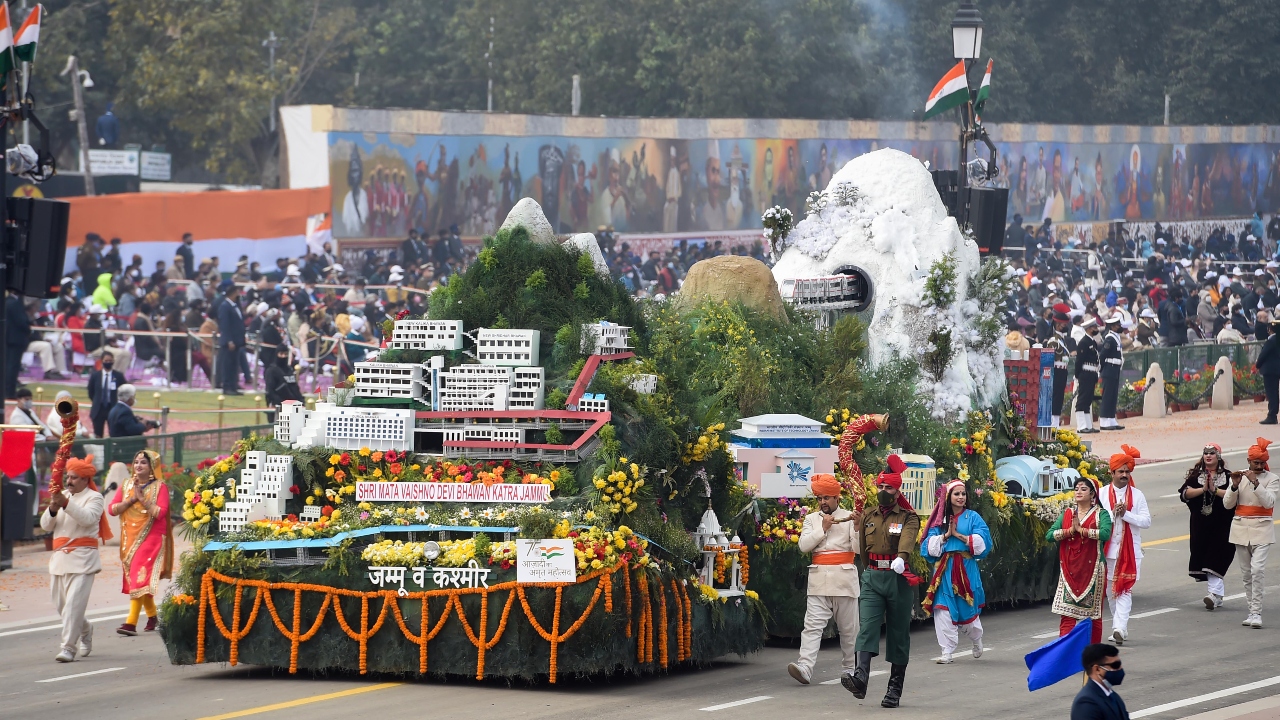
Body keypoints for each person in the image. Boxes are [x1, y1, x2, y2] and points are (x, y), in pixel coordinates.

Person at [848, 455, 920, 708]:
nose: (883, 491)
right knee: (866, 627)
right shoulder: (868, 515)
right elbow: (864, 551)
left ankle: (894, 689)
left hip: (898, 579)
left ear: (897, 489)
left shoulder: (908, 517)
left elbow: (908, 538)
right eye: (880, 487)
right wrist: (869, 572)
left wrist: (902, 557)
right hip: (873, 578)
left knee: (898, 635)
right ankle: (860, 678)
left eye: (888, 487)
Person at [787, 473, 862, 686]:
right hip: (819, 581)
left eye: (827, 498)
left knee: (849, 630)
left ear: (837, 498)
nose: (823, 502)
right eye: (820, 498)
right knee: (811, 626)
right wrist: (823, 528)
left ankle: (850, 668)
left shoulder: (849, 517)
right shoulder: (811, 519)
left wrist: (857, 528)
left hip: (844, 581)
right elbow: (803, 546)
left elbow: (858, 550)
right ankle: (805, 667)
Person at [40, 456, 110, 662]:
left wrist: (66, 504)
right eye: (68, 477)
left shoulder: (95, 498)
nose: (69, 481)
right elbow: (46, 525)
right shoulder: (61, 495)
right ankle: (86, 630)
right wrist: (53, 508)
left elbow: (88, 519)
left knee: (72, 607)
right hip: (59, 560)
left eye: (74, 477)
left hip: (83, 560)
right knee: (63, 607)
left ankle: (68, 648)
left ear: (85, 480)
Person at [920, 479, 992, 663]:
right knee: (942, 610)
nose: (961, 497)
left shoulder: (973, 517)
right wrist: (945, 535)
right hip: (945, 570)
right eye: (956, 493)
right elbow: (928, 545)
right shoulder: (940, 520)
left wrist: (958, 535)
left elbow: (984, 541)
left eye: (963, 494)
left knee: (967, 613)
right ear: (948, 497)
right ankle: (947, 652)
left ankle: (976, 639)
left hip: (966, 569)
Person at [108, 450, 172, 636]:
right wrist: (132, 499)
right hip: (130, 538)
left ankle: (131, 623)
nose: (138, 465)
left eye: (143, 462)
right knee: (137, 578)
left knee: (138, 577)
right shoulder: (126, 485)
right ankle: (152, 616)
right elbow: (112, 509)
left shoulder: (161, 487)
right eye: (136, 462)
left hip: (151, 537)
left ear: (152, 466)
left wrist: (143, 500)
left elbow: (160, 512)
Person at [1047, 477, 1112, 643]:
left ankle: (1093, 656)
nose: (1078, 491)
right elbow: (1049, 535)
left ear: (1092, 494)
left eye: (1083, 489)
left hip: (1093, 570)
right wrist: (1070, 531)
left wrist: (1082, 531)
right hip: (1070, 571)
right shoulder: (1068, 514)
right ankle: (1065, 655)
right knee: (1067, 616)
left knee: (1093, 617)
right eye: (1076, 488)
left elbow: (1105, 533)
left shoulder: (1101, 514)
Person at [1223, 437, 1279, 628]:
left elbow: (1269, 502)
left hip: (1262, 529)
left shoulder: (1272, 479)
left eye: (1262, 462)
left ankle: (1257, 612)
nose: (1259, 465)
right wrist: (1234, 486)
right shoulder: (1241, 477)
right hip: (1240, 529)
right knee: (1247, 574)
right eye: (1256, 462)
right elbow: (1227, 504)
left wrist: (1256, 483)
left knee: (1257, 570)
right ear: (1249, 461)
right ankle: (1251, 611)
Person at [1100, 446, 1149, 645]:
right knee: (1111, 591)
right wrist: (1113, 514)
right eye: (1120, 471)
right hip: (1109, 550)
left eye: (1127, 471)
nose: (1124, 474)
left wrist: (1126, 514)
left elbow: (1146, 522)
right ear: (1112, 473)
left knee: (1125, 589)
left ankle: (1119, 627)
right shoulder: (1102, 494)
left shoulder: (1137, 495)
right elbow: (1097, 519)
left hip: (1131, 551)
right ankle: (1119, 627)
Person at [1180, 443, 1236, 609]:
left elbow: (1234, 495)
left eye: (1212, 452)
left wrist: (1214, 489)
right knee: (1205, 558)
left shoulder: (1228, 476)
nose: (1208, 455)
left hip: (1223, 525)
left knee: (1217, 557)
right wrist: (1203, 489)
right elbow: (1184, 493)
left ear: (1218, 456)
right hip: (1201, 525)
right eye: (1206, 453)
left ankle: (1213, 594)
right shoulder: (1197, 475)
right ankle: (1217, 596)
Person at [1070, 643, 1131, 720]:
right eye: (1115, 665)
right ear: (1097, 669)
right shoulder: (1086, 703)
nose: (1120, 668)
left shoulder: (1112, 695)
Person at [1047, 303, 1077, 427]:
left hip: (1062, 370)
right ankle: (1053, 422)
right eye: (1064, 325)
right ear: (1058, 325)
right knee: (1055, 396)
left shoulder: (1061, 340)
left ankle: (1056, 420)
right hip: (1056, 371)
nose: (1066, 327)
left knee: (1059, 396)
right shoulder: (1053, 341)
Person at [107, 384, 159, 452]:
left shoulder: (115, 408)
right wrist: (143, 424)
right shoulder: (125, 411)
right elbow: (133, 429)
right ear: (129, 398)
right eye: (133, 396)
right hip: (126, 449)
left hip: (118, 446)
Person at [87, 351, 127, 438]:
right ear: (102, 361)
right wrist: (96, 401)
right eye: (106, 360)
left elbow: (124, 390)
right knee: (97, 435)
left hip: (113, 408)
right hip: (98, 409)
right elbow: (91, 391)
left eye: (110, 361)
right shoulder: (95, 376)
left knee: (114, 433)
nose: (108, 362)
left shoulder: (118, 376)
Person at [217, 283, 246, 395]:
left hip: (237, 341)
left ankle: (233, 386)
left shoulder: (235, 306)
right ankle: (227, 386)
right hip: (230, 341)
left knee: (234, 365)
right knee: (227, 364)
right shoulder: (225, 306)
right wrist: (229, 340)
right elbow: (225, 325)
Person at [263, 345, 304, 423]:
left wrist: (301, 400)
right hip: (278, 407)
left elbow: (294, 386)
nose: (283, 356)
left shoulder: (289, 370)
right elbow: (270, 390)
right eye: (281, 354)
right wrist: (280, 402)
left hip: (293, 406)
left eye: (285, 354)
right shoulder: (271, 371)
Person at [1098, 315, 1125, 431]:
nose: (1120, 326)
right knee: (1108, 395)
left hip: (1115, 368)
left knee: (1113, 395)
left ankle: (1111, 418)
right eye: (1118, 325)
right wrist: (1102, 369)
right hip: (1109, 368)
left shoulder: (1116, 337)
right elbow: (1102, 355)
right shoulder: (1109, 338)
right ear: (1112, 327)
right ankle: (1104, 420)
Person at [1074, 316, 1101, 433]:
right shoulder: (1084, 342)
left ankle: (1088, 425)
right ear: (1089, 329)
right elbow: (1079, 360)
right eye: (1094, 327)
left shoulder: (1092, 342)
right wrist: (1077, 375)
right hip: (1085, 373)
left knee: (1088, 400)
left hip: (1092, 373)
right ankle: (1081, 426)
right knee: (1082, 399)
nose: (1096, 329)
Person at [1256, 313, 1280, 425]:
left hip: (1270, 370)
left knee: (1272, 393)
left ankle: (1272, 415)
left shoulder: (1271, 341)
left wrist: (1257, 365)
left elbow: (1263, 355)